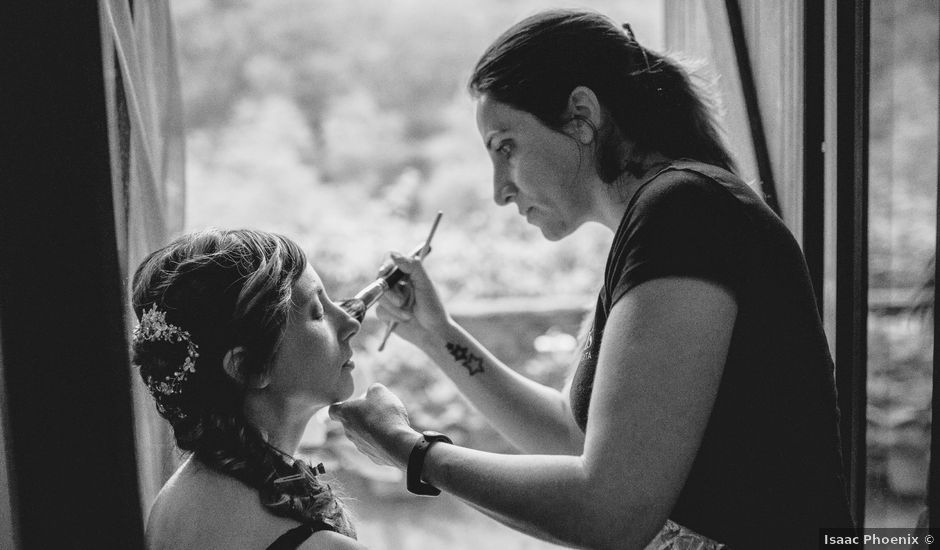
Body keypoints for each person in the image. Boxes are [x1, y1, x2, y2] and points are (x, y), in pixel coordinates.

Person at [329, 9, 853, 550]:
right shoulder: (664, 218)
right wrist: (436, 334)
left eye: (505, 146)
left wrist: (409, 450)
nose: (499, 191)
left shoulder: (683, 211)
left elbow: (609, 512)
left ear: (581, 115)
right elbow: (571, 436)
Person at [131, 229, 367, 550]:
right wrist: (413, 451)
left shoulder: (174, 503)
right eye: (319, 312)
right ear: (249, 367)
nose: (351, 323)